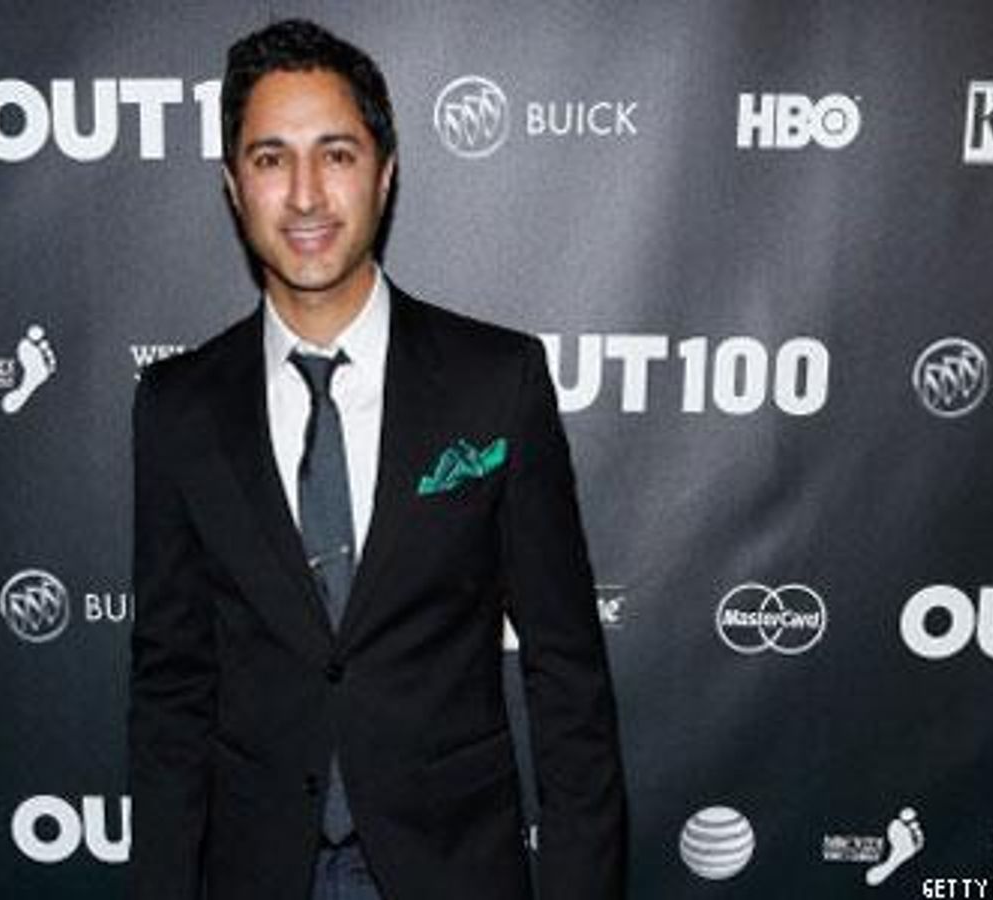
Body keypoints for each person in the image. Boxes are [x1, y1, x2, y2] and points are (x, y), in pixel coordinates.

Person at [127, 18, 626, 900]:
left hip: (454, 869)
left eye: (337, 154)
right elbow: (172, 687)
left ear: (386, 173)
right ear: (233, 186)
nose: (306, 195)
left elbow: (567, 673)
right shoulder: (177, 406)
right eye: (271, 158)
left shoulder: (496, 383)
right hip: (255, 872)